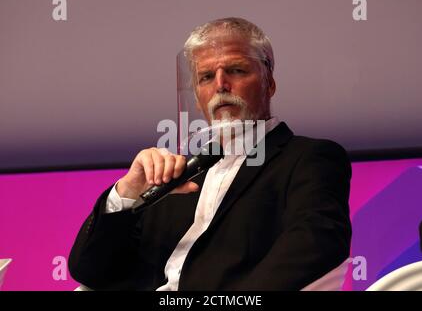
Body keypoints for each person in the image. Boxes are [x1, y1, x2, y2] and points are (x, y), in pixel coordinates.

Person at [69, 17, 352, 290]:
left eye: (237, 70)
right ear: (197, 95)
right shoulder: (174, 178)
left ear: (270, 83)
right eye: (206, 77)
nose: (220, 85)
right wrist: (128, 192)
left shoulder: (309, 159)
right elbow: (90, 271)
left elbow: (316, 245)